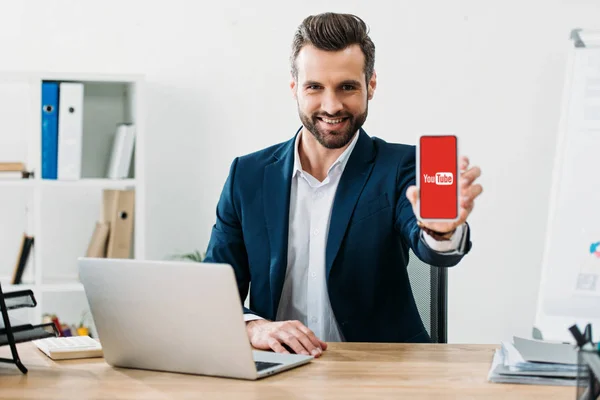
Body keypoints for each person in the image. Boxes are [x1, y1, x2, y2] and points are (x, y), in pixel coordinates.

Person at [204, 12, 483, 358]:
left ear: (371, 85)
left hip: (383, 371)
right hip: (281, 371)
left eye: (347, 87)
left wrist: (439, 232)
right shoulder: (247, 175)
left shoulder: (401, 167)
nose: (331, 106)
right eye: (315, 87)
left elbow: (428, 244)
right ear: (295, 89)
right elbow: (215, 291)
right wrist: (253, 326)